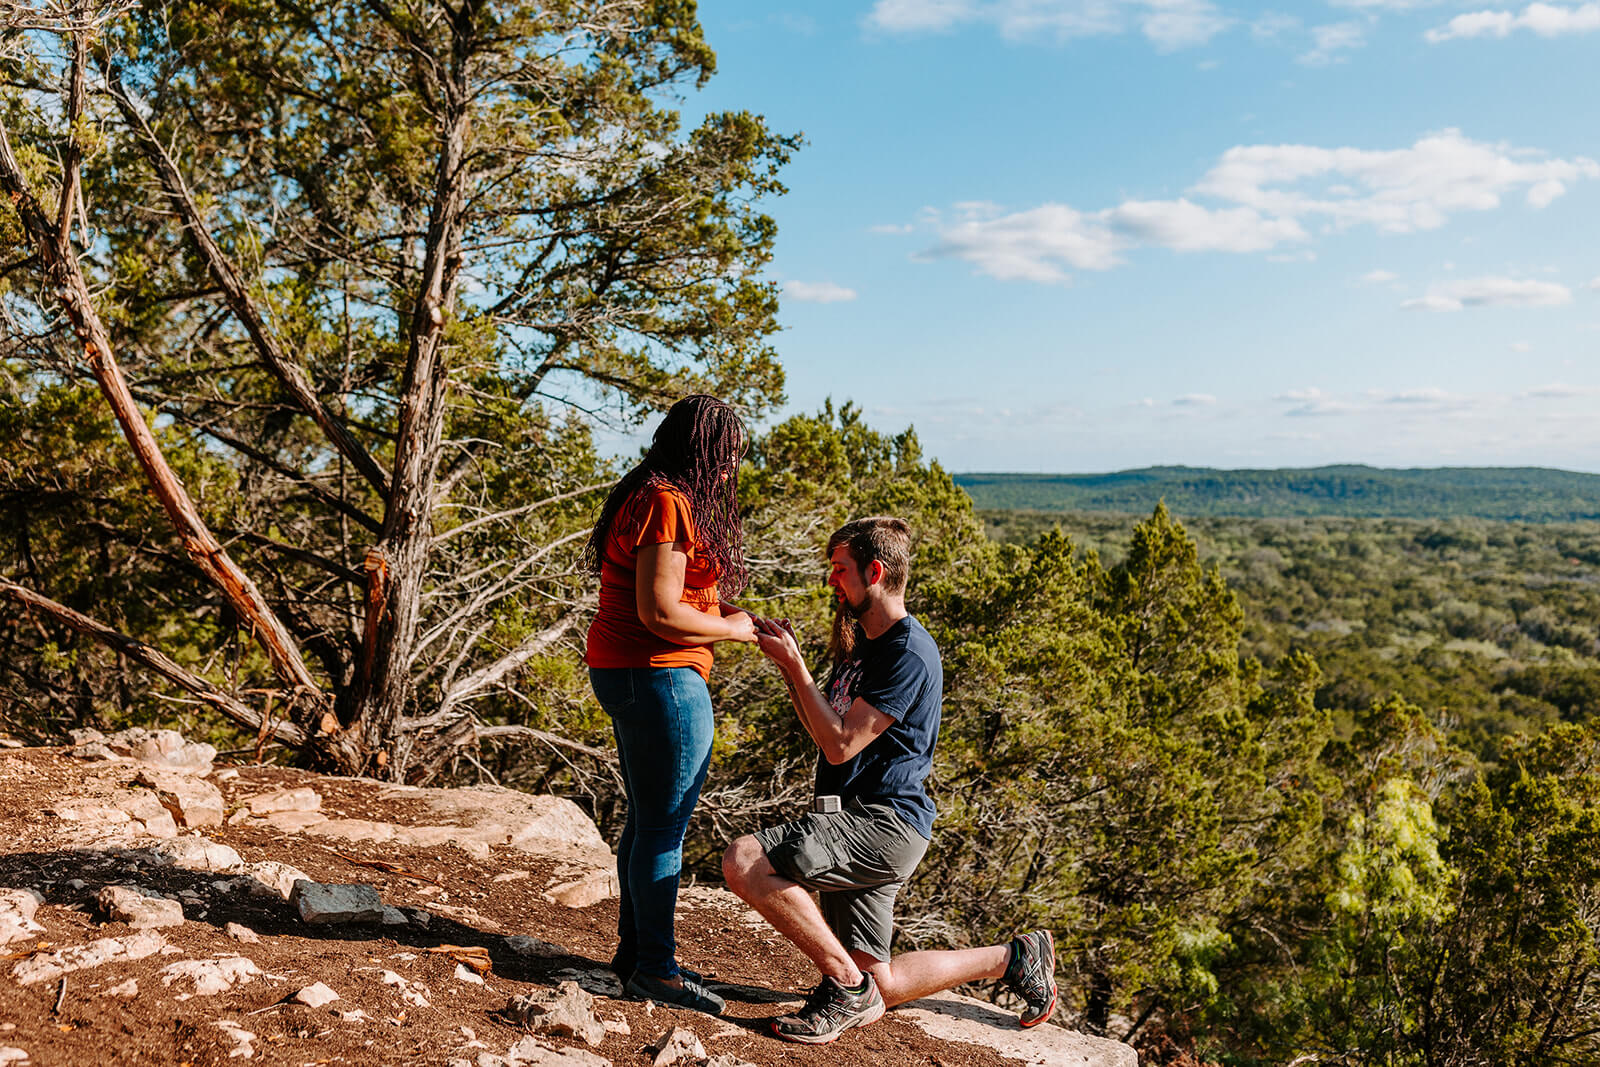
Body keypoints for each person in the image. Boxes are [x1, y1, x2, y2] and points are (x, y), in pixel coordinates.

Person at [723, 516, 1057, 1044]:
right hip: (854, 819)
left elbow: (840, 744)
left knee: (745, 860)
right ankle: (1014, 957)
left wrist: (798, 669)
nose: (831, 580)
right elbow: (825, 730)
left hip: (882, 823)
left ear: (874, 571)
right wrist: (792, 667)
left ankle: (844, 988)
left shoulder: (907, 652)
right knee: (881, 983)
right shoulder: (865, 646)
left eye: (840, 569)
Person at [584, 394, 758, 1016]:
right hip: (659, 676)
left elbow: (675, 594)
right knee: (664, 827)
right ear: (703, 450)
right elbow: (658, 612)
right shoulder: (666, 501)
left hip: (630, 670)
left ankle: (636, 955)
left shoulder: (646, 492)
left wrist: (731, 614)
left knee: (648, 819)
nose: (733, 466)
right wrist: (736, 633)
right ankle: (656, 970)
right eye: (727, 453)